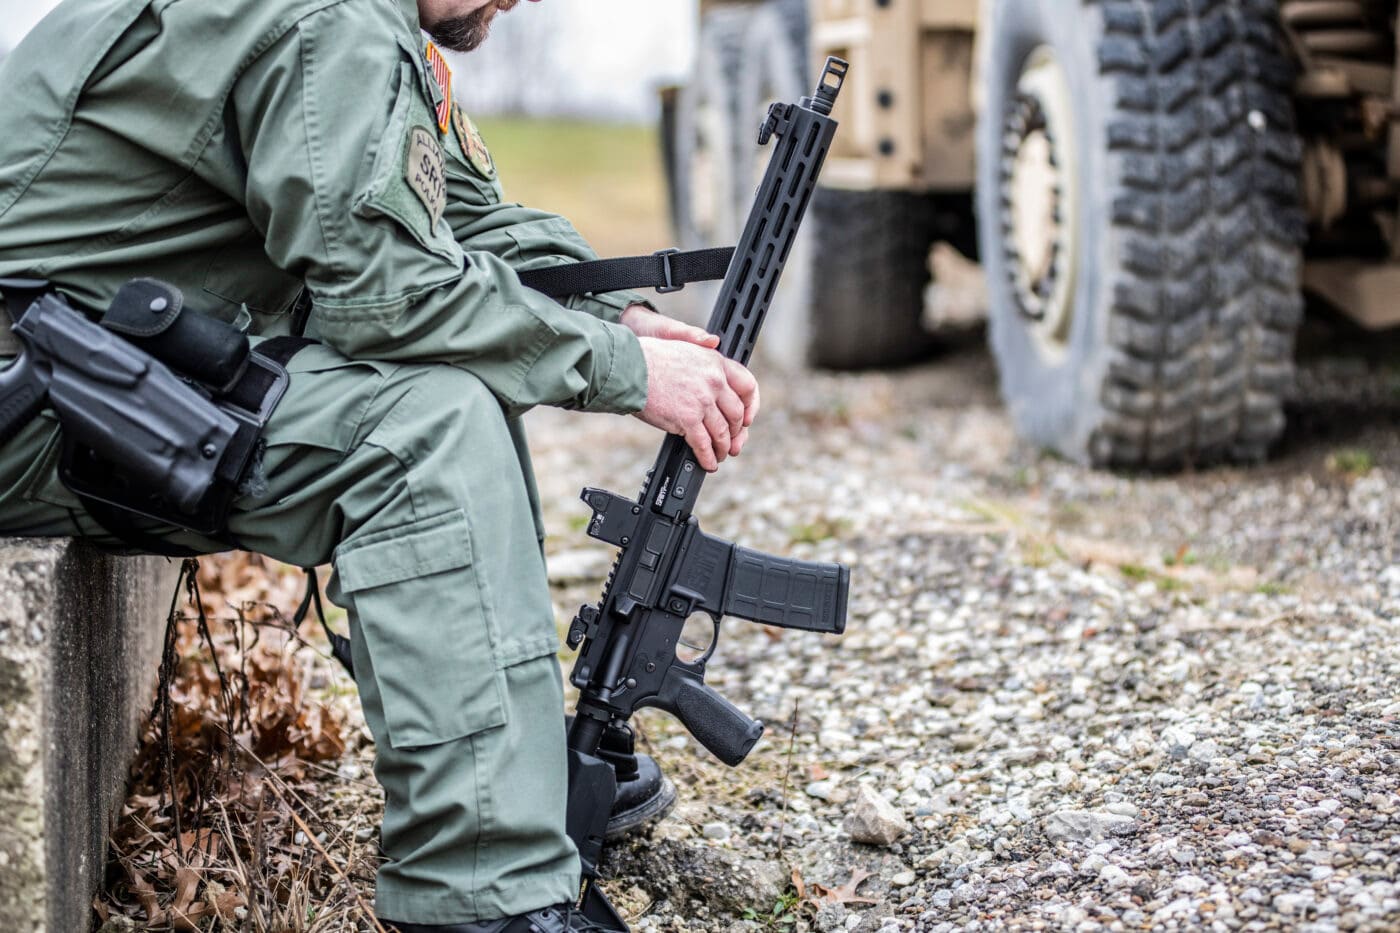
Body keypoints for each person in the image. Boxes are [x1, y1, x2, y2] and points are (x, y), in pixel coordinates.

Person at [0, 0, 760, 930]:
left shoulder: (367, 22)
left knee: (451, 385)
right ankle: (479, 899)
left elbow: (459, 218)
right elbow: (384, 293)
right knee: (420, 428)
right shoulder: (332, 20)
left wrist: (621, 320)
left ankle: (507, 779)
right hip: (43, 397)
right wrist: (626, 372)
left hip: (88, 367)